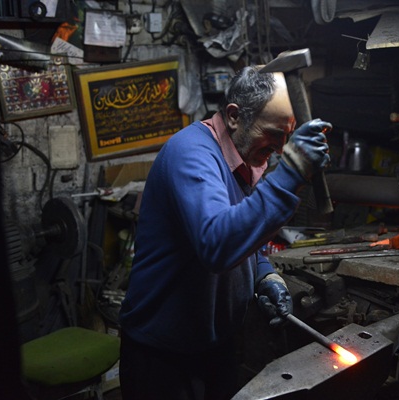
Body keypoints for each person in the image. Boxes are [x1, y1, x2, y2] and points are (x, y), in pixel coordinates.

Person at [118, 65, 332, 400]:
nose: (280, 148)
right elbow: (217, 244)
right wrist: (289, 174)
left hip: (216, 345)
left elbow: (241, 226)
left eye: (288, 136)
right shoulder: (192, 154)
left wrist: (264, 274)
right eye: (273, 134)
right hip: (163, 354)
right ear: (234, 116)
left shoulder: (244, 156)